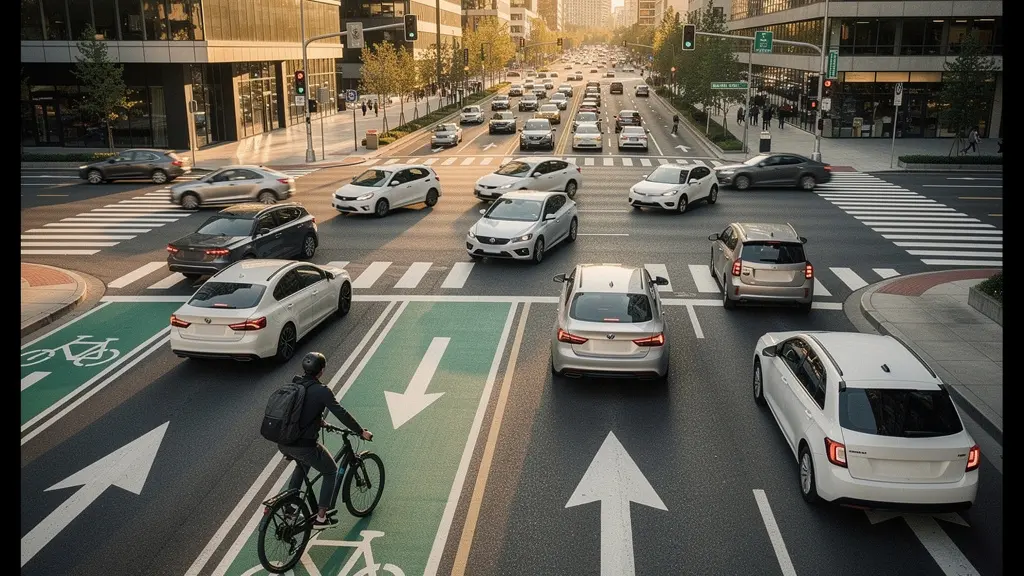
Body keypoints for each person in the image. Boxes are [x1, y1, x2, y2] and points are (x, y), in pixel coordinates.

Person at [277, 352, 373, 529]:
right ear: (321, 371)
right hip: (303, 445)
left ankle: (289, 509)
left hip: (284, 441)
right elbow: (341, 413)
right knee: (330, 472)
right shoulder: (322, 391)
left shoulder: (296, 382)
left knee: (303, 465)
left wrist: (319, 421)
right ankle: (321, 518)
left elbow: (299, 408)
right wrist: (360, 431)